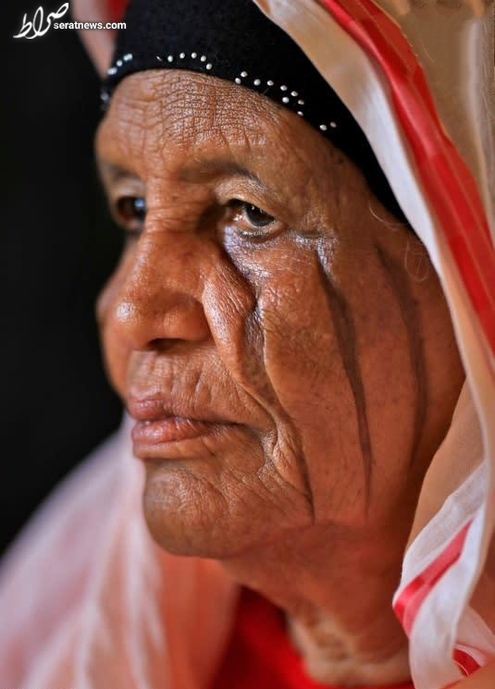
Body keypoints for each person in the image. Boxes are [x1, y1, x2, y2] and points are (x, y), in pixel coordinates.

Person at [1, 1, 494, 688]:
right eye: (133, 210)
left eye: (250, 213)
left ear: (467, 275)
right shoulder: (56, 627)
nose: (130, 312)